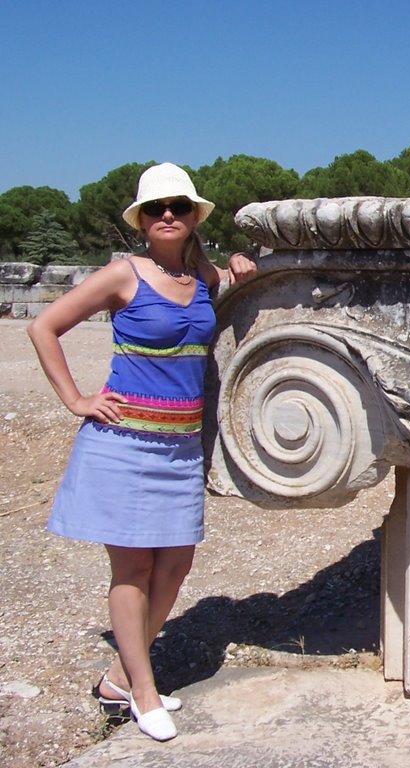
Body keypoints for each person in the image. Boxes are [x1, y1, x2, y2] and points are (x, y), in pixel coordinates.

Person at [27, 163, 257, 742]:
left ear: (192, 214)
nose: (167, 217)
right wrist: (76, 399)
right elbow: (43, 327)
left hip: (180, 448)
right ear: (141, 220)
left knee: (175, 566)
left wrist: (238, 270)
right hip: (123, 443)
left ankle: (119, 676)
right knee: (132, 568)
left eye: (177, 206)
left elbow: (228, 296)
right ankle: (144, 688)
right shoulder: (121, 274)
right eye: (155, 209)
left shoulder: (200, 274)